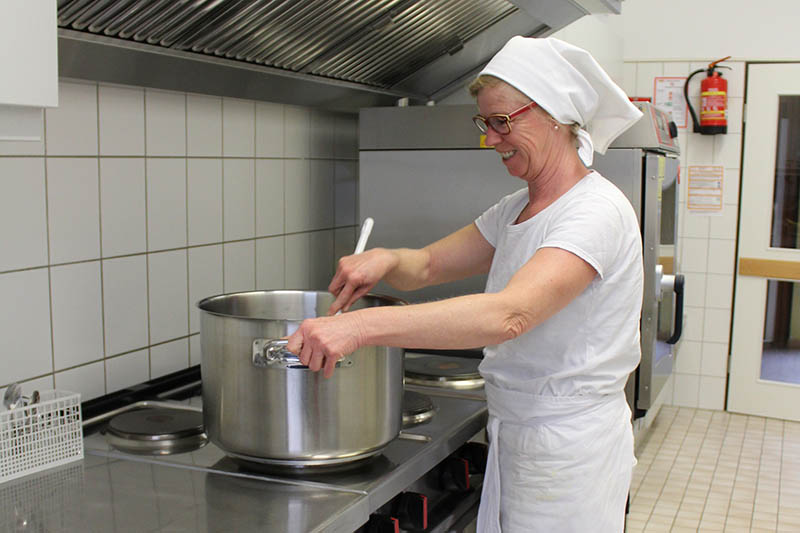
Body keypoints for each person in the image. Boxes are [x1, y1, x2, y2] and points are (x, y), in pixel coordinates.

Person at [286, 36, 644, 532]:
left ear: (556, 115)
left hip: (568, 450)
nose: (491, 139)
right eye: (486, 123)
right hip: (520, 434)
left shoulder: (594, 212)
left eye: (503, 122)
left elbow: (509, 314)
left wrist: (360, 328)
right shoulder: (516, 208)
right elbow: (429, 265)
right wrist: (386, 259)